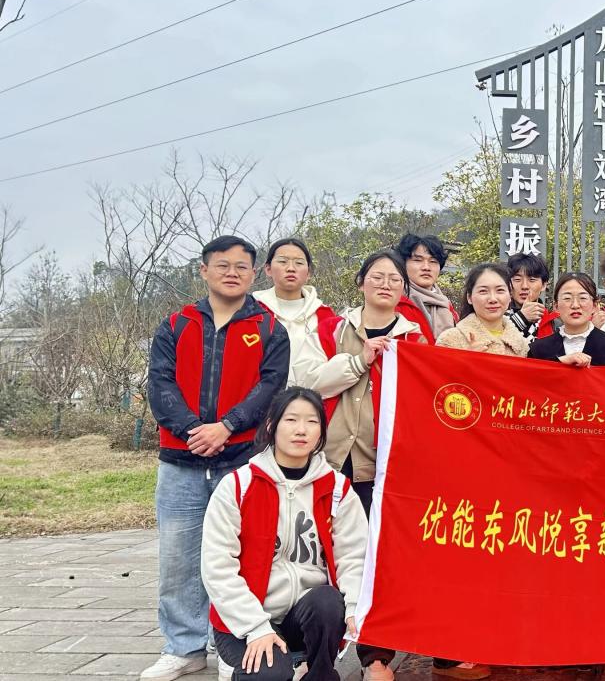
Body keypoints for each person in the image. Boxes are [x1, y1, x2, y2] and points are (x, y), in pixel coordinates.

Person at [142, 235, 290, 681]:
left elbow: (270, 388)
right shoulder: (176, 325)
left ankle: (230, 643)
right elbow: (160, 385)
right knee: (179, 559)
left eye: (241, 266)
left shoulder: (270, 328)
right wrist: (194, 430)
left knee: (242, 557)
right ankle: (183, 647)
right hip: (181, 460)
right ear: (204, 270)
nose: (232, 273)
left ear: (253, 273)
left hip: (241, 459)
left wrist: (226, 426)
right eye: (222, 265)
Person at [306, 251, 445, 680]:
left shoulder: (415, 337)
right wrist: (359, 360)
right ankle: (315, 652)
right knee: (324, 557)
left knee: (377, 560)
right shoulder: (332, 329)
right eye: (377, 277)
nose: (386, 284)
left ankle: (375, 656)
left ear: (404, 289)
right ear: (361, 282)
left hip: (384, 466)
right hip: (331, 460)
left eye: (394, 279)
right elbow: (311, 381)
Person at [202, 387, 368, 681]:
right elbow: (217, 567)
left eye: (312, 421)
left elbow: (354, 556)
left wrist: (354, 605)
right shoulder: (238, 486)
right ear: (271, 425)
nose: (301, 430)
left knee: (328, 602)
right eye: (291, 420)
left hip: (303, 616)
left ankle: (320, 675)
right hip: (245, 618)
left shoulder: (337, 489)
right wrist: (256, 627)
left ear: (322, 431)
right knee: (270, 674)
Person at [253, 238, 336, 387]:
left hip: (313, 398)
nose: (291, 268)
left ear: (309, 272)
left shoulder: (325, 316)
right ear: (268, 269)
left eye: (299, 263)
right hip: (261, 399)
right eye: (282, 261)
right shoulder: (253, 312)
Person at [527, 272, 605, 367]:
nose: (575, 305)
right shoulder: (537, 349)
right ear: (556, 306)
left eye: (582, 298)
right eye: (567, 298)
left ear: (595, 306)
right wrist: (560, 362)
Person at [436, 262, 530, 357]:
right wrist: (466, 360)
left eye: (500, 290)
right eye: (483, 291)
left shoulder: (522, 345)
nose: (493, 299)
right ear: (469, 297)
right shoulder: (449, 340)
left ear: (510, 295)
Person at [396, 233, 459, 341]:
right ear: (403, 264)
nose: (426, 267)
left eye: (433, 261)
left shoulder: (446, 305)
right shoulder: (395, 302)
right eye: (418, 260)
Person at [506, 252, 561, 341]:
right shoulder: (496, 317)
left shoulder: (555, 324)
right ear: (508, 284)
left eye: (532, 280)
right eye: (517, 279)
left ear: (544, 285)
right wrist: (521, 318)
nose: (524, 286)